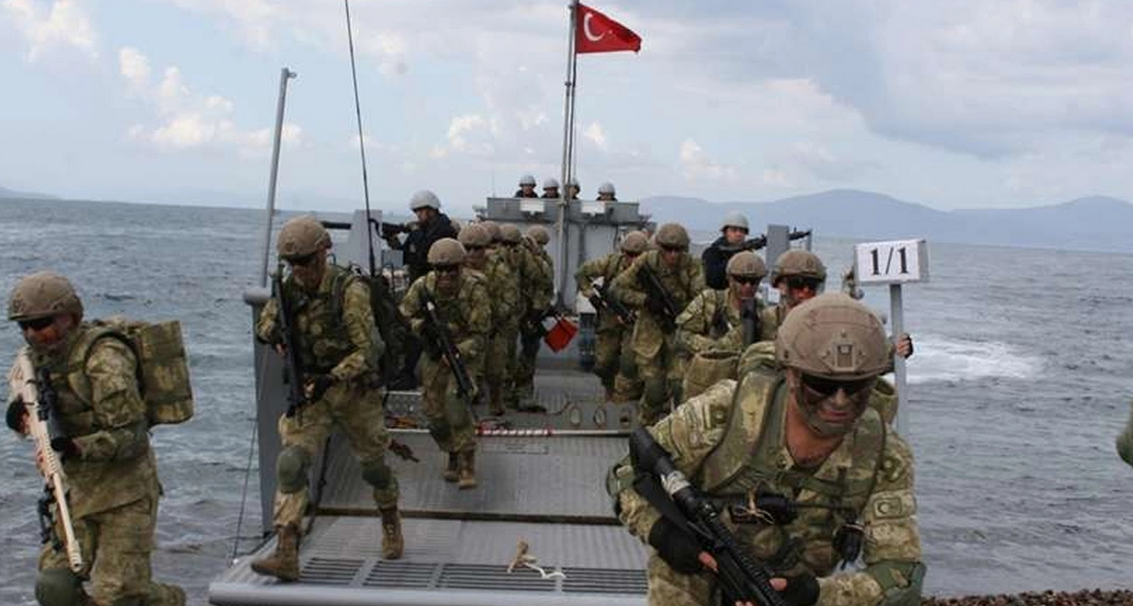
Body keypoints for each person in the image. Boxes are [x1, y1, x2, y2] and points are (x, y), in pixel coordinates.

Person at [607, 293, 925, 606]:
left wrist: (816, 594)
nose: (839, 401)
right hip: (690, 582)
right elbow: (625, 476)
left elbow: (901, 574)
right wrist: (664, 535)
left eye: (856, 386)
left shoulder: (881, 453)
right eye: (822, 385)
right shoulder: (723, 415)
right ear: (791, 373)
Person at [5, 271, 186, 605]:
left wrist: (76, 447)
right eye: (24, 326)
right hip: (74, 492)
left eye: (41, 323)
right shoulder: (35, 361)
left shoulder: (104, 360)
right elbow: (28, 408)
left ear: (70, 317)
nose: (32, 334)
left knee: (118, 596)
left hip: (125, 493)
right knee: (55, 588)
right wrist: (21, 419)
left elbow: (132, 436)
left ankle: (168, 600)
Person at [251, 216, 402, 580]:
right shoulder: (288, 289)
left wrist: (332, 377)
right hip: (311, 393)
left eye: (305, 261)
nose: (300, 270)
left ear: (323, 253)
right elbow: (264, 324)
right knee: (290, 463)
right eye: (293, 263)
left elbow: (369, 350)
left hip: (354, 390)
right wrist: (276, 333)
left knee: (373, 468)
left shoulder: (349, 290)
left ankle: (390, 519)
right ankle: (286, 549)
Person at [399, 239, 490, 488]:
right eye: (440, 269)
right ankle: (452, 452)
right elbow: (404, 313)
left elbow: (481, 335)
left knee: (456, 406)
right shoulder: (423, 286)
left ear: (461, 267)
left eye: (452, 269)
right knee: (434, 415)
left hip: (464, 353)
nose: (446, 275)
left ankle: (467, 462)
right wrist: (423, 328)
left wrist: (458, 351)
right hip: (434, 352)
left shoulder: (474, 290)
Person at [613, 223, 704, 425]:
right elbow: (617, 289)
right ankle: (645, 425)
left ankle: (677, 430)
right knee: (655, 391)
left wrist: (687, 315)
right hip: (649, 334)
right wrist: (645, 300)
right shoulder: (647, 261)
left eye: (678, 250)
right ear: (660, 247)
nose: (673, 255)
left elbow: (701, 298)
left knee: (680, 386)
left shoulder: (692, 266)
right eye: (668, 249)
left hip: (679, 333)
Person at [676, 251, 767, 399]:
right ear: (730, 279)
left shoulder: (761, 312)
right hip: (707, 380)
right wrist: (715, 348)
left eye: (754, 281)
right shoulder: (710, 301)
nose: (748, 286)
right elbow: (683, 336)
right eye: (742, 280)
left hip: (741, 385)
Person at [575, 231, 649, 402]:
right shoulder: (611, 263)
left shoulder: (650, 270)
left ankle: (628, 394)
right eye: (629, 254)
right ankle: (610, 388)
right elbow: (581, 273)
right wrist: (591, 296)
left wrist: (637, 313)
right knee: (604, 363)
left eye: (638, 255)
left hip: (637, 319)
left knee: (630, 363)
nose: (633, 259)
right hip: (610, 316)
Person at [459, 224, 518, 416]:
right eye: (467, 248)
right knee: (464, 372)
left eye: (477, 248)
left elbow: (510, 300)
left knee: (495, 371)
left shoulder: (499, 269)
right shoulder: (455, 269)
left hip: (493, 328)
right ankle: (464, 409)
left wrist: (493, 317)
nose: (472, 253)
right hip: (464, 331)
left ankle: (496, 401)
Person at [501, 224, 553, 410]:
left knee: (529, 350)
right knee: (507, 351)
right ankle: (506, 391)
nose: (539, 246)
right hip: (514, 310)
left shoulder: (543, 261)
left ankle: (523, 389)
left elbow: (545, 286)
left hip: (531, 312)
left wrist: (538, 311)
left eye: (542, 244)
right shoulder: (515, 257)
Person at [382, 189, 459, 285]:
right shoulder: (419, 230)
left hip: (438, 283)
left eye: (420, 210)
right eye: (416, 211)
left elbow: (426, 251)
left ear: (432, 210)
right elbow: (404, 257)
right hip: (417, 283)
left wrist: (415, 231)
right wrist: (392, 240)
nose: (417, 214)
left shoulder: (446, 230)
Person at [701, 211, 753, 290]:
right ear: (725, 232)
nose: (738, 234)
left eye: (742, 231)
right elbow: (712, 280)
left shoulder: (746, 253)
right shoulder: (712, 252)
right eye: (734, 230)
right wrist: (736, 258)